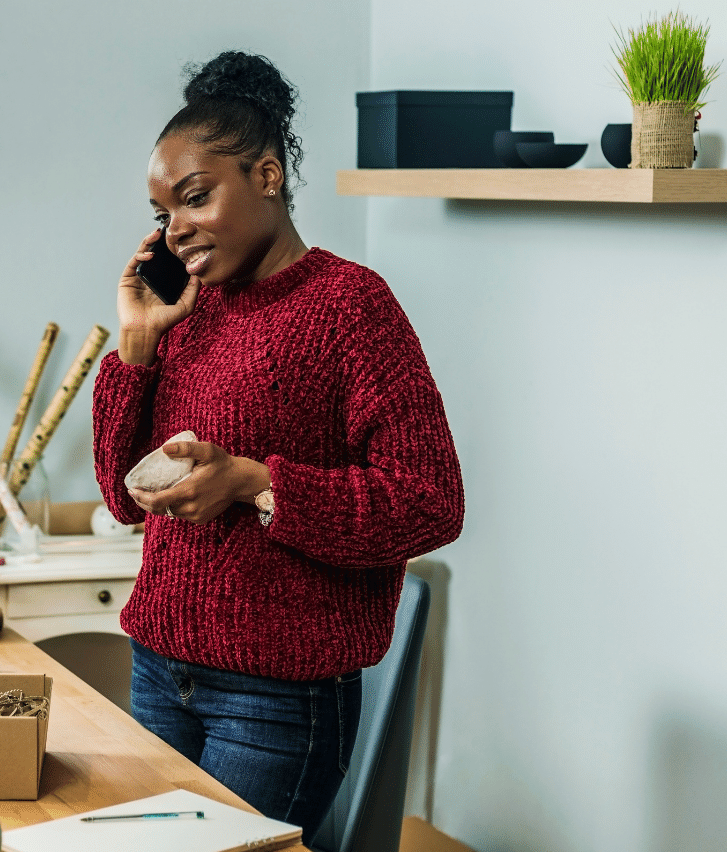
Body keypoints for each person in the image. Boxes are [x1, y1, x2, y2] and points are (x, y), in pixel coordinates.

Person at [91, 50, 464, 838]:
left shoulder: (350, 305)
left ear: (266, 177)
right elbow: (117, 496)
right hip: (160, 672)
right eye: (164, 214)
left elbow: (429, 500)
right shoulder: (184, 310)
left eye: (196, 198)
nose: (177, 228)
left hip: (278, 702)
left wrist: (256, 482)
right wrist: (135, 346)